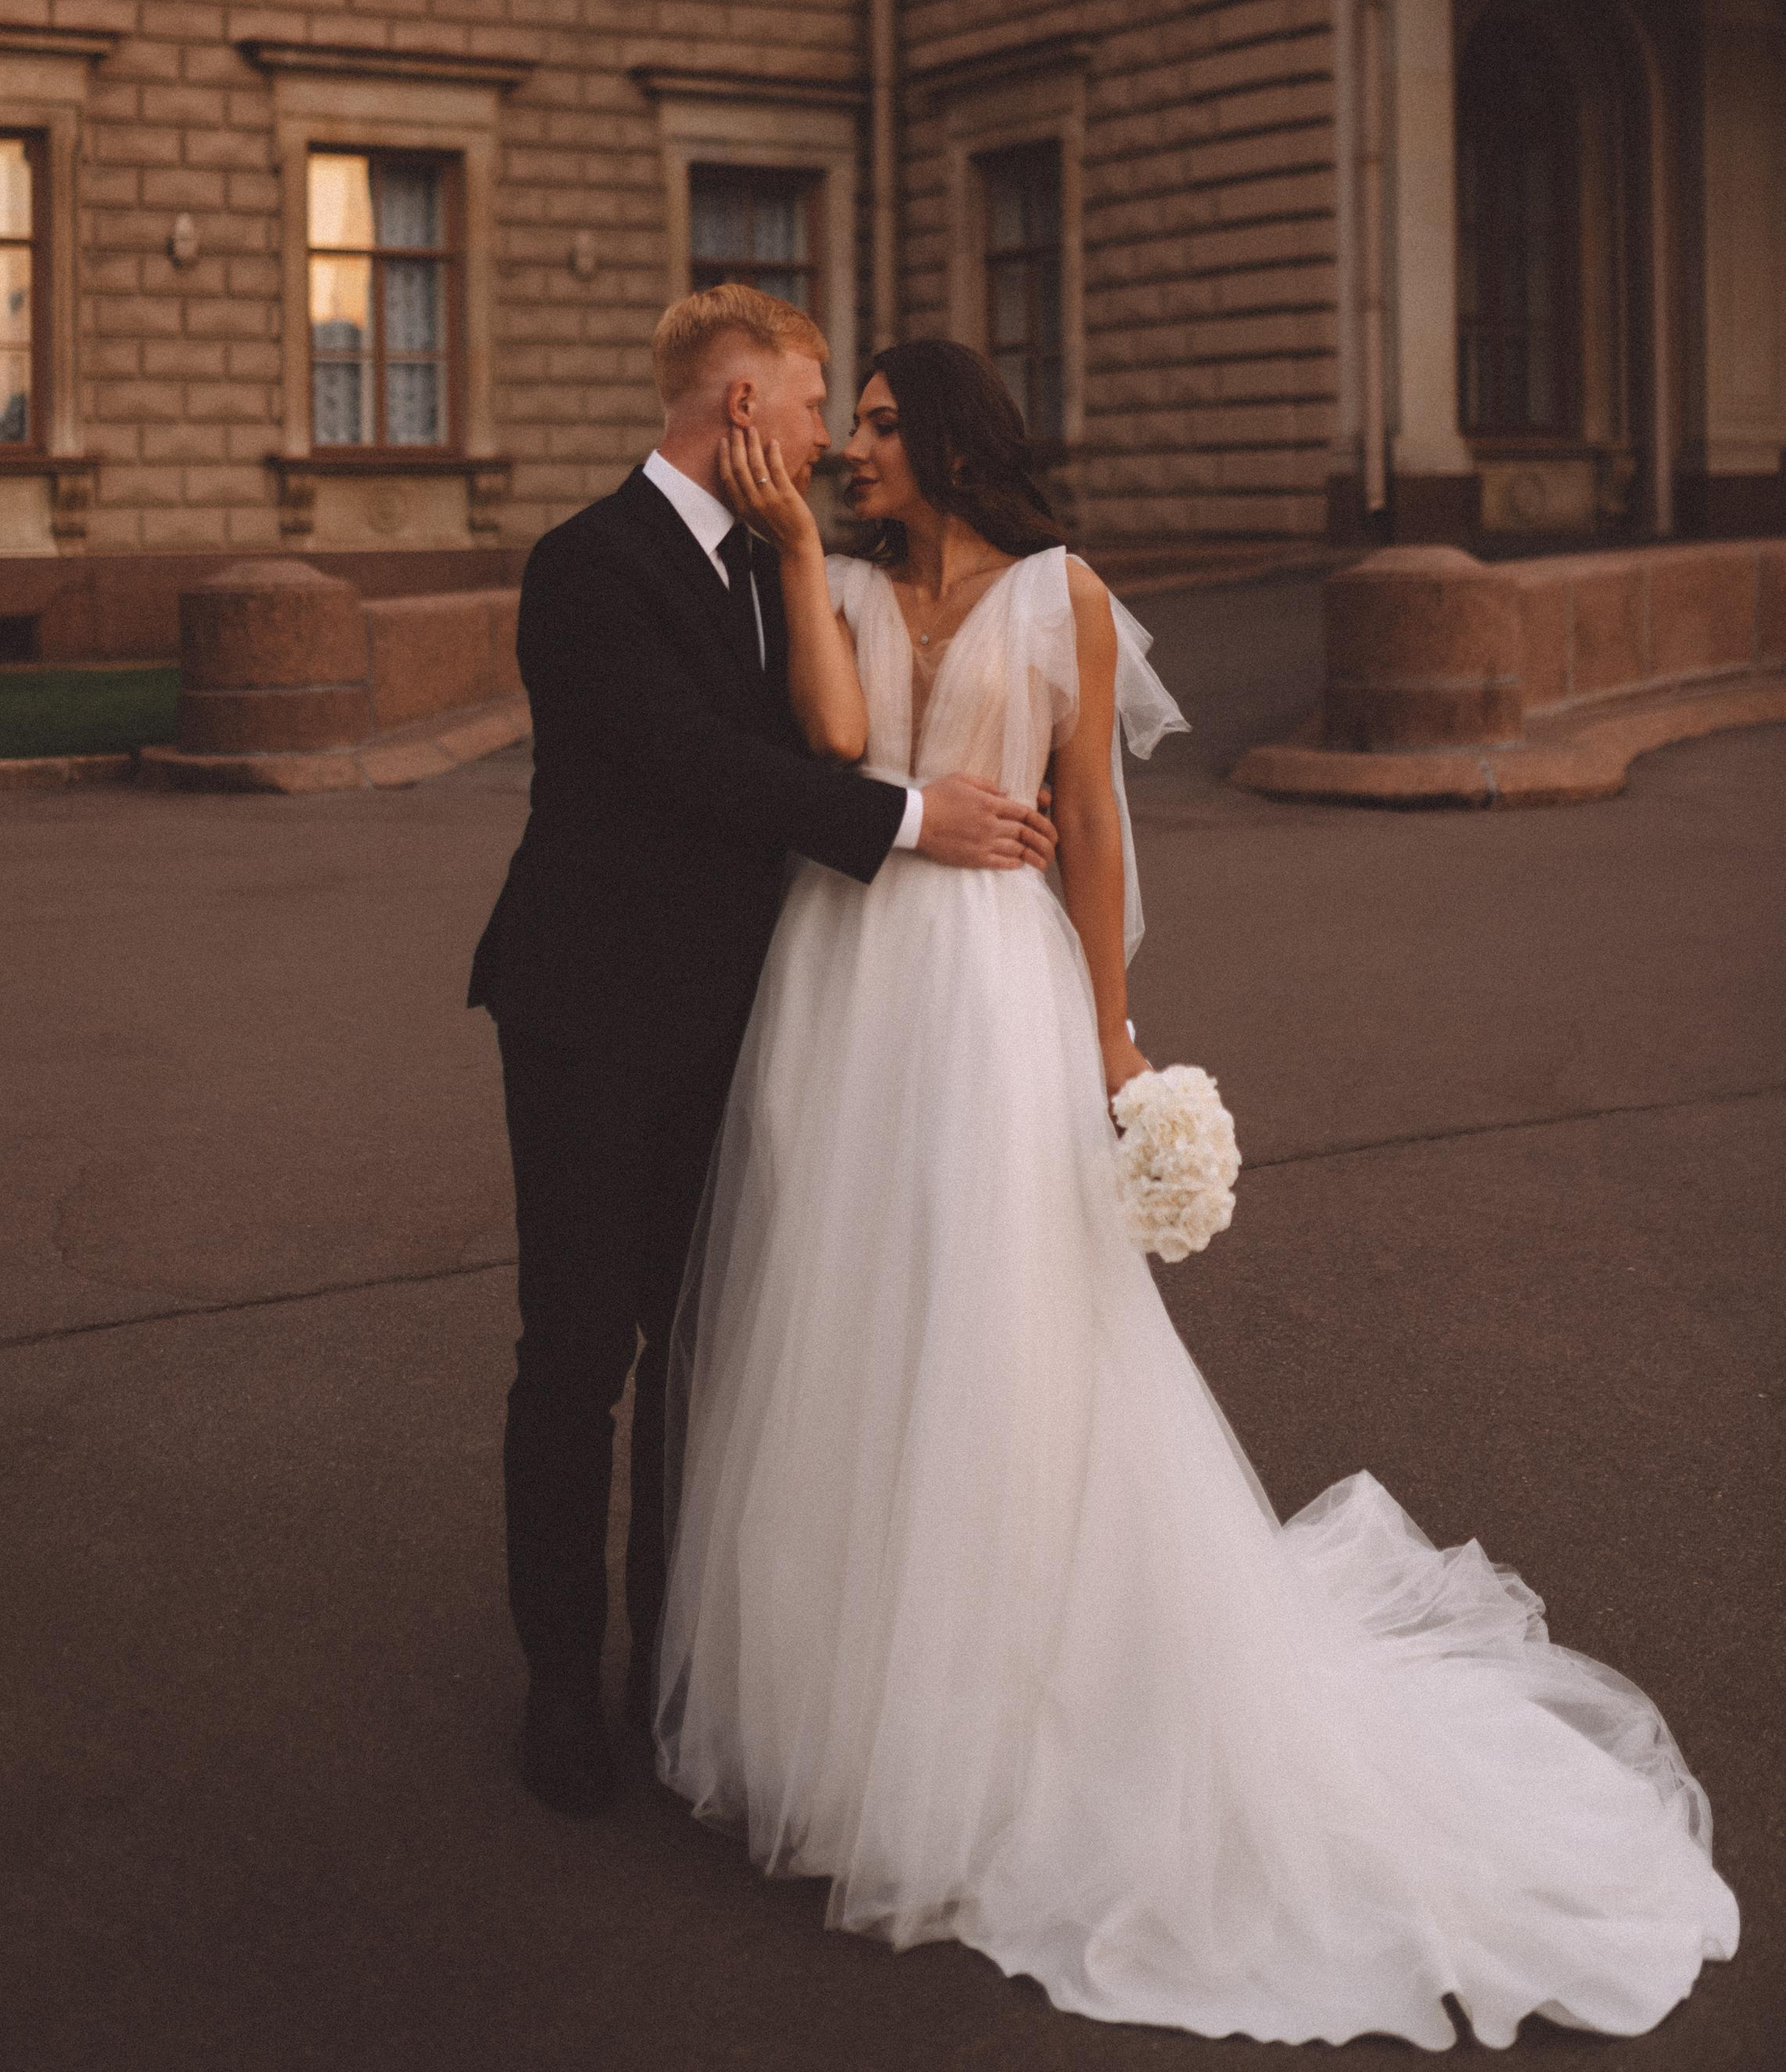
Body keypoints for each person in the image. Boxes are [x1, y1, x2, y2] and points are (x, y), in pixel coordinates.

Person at [656, 337, 1739, 2049]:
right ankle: (856, 1718)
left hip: (995, 998)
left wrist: (1109, 1044)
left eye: (872, 427)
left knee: (1004, 1326)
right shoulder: (845, 584)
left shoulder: (1060, 596)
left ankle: (1009, 1708)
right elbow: (840, 746)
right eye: (842, 425)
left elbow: (1087, 827)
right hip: (848, 985)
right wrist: (797, 555)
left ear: (942, 441)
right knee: (846, 1324)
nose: (850, 450)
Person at [467, 289, 1057, 1817]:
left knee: (704, 1352)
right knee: (578, 1355)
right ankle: (560, 1685)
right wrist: (916, 820)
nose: (825, 439)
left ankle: (677, 1660)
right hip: (593, 1019)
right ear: (739, 409)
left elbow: (818, 725)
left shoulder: (792, 564)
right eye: (809, 406)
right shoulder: (585, 567)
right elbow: (698, 766)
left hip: (744, 1021)